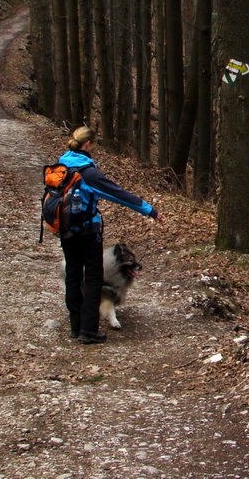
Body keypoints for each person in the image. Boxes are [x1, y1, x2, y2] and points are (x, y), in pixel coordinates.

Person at [56, 126, 160, 344]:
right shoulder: (87, 172)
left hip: (65, 229)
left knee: (73, 275)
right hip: (87, 232)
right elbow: (117, 193)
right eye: (94, 144)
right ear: (88, 144)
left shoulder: (61, 165)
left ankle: (75, 326)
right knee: (94, 278)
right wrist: (149, 210)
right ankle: (88, 330)